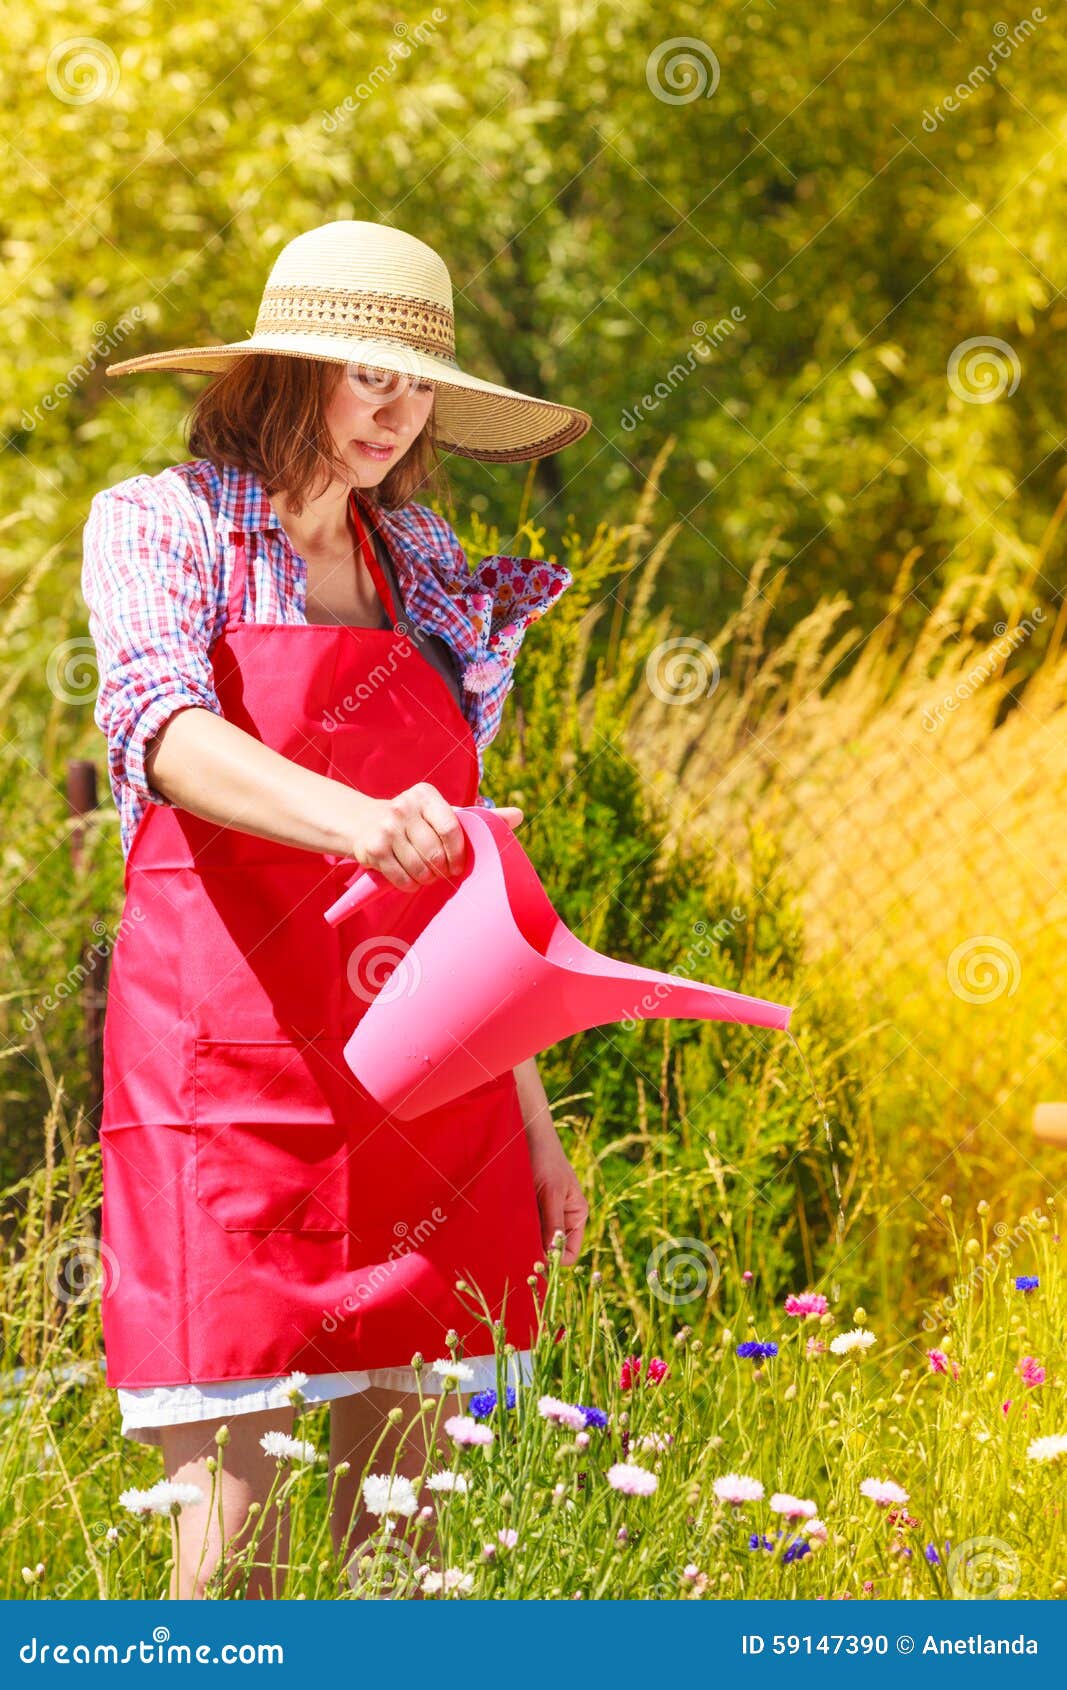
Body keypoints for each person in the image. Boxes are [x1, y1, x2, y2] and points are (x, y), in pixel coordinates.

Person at [82, 219, 593, 1597]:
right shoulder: (162, 521)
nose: (390, 405)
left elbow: (466, 877)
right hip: (225, 1084)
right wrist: (361, 820)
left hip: (427, 1093)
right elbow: (162, 729)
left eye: (414, 382)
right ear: (280, 371)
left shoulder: (423, 564)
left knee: (403, 1535)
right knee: (234, 1534)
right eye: (360, 371)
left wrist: (532, 1116)